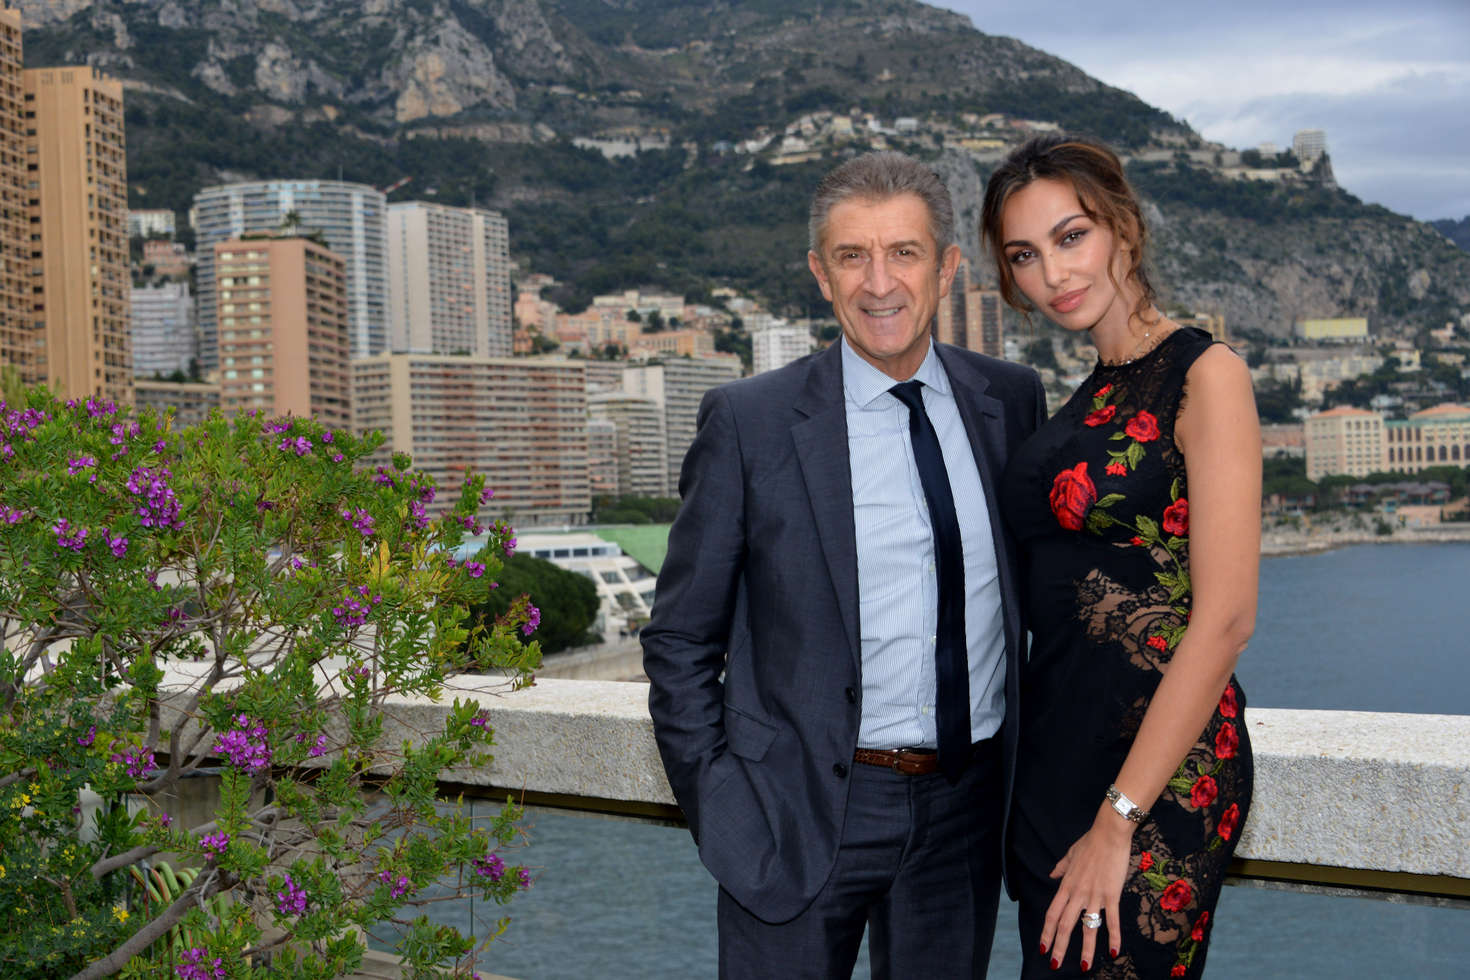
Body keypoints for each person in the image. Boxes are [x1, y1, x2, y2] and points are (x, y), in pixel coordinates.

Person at [643, 151, 1046, 978]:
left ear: (947, 268)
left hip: (963, 812)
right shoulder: (749, 423)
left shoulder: (1010, 399)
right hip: (792, 815)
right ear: (820, 276)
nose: (879, 282)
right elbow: (680, 639)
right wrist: (725, 809)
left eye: (903, 252)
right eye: (852, 256)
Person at [981, 134, 1258, 978]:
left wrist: (1119, 818)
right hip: (1055, 761)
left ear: (1124, 230)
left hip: (1154, 781)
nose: (1053, 274)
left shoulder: (1205, 374)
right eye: (1025, 255)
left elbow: (1225, 620)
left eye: (1072, 237)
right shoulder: (1082, 395)